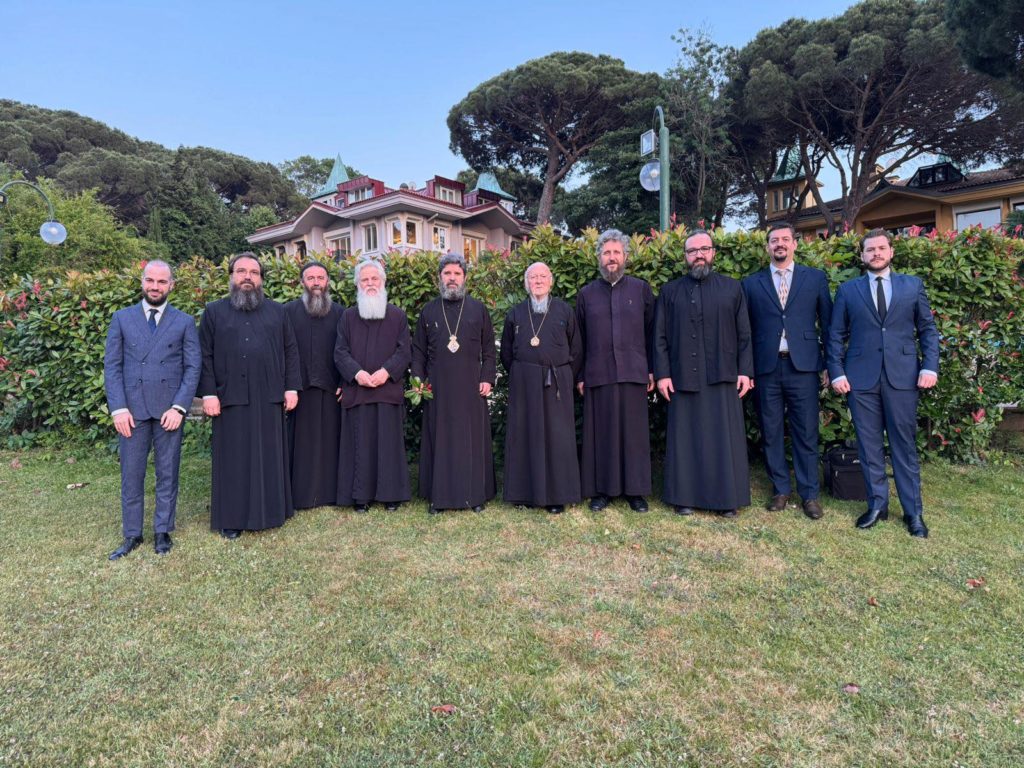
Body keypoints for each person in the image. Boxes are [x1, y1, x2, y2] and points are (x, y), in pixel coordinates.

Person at [827, 229, 939, 538]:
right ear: (862, 256)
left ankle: (913, 512)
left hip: (903, 377)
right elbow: (835, 335)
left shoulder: (912, 286)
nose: (876, 253)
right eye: (869, 249)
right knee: (869, 445)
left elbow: (928, 330)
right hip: (860, 380)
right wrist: (836, 372)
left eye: (881, 248)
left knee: (904, 446)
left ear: (890, 252)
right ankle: (878, 504)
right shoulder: (848, 290)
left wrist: (930, 366)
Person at [199, 253, 301, 538]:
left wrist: (291, 387)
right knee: (233, 459)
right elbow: (204, 355)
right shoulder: (213, 311)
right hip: (228, 397)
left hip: (268, 396)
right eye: (241, 271)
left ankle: (272, 511)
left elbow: (290, 350)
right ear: (231, 275)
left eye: (254, 272)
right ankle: (232, 518)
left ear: (261, 279)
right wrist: (208, 394)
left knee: (269, 455)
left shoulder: (278, 312)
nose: (247, 277)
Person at [104, 260, 201, 559]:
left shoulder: (184, 321)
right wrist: (118, 409)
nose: (155, 287)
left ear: (172, 285)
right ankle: (132, 534)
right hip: (131, 411)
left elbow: (193, 366)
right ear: (142, 282)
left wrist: (179, 407)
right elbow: (113, 366)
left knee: (167, 472)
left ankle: (162, 531)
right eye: (150, 280)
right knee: (131, 475)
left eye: (162, 282)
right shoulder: (121, 318)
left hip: (168, 410)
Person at [654, 229, 754, 517]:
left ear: (713, 253)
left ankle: (726, 500)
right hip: (683, 377)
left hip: (722, 376)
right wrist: (662, 374)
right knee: (685, 442)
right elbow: (659, 336)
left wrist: (745, 371)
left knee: (723, 442)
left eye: (704, 249)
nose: (698, 254)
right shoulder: (670, 292)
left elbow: (745, 334)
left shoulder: (732, 288)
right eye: (692, 251)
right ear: (685, 257)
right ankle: (684, 498)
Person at [742, 222, 833, 519]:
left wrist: (830, 365)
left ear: (795, 243)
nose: (779, 244)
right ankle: (780, 489)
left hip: (803, 366)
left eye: (784, 239)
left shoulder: (815, 278)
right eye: (773, 240)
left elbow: (829, 326)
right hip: (766, 366)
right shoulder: (751, 283)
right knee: (770, 431)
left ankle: (809, 495)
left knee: (806, 431)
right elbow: (745, 331)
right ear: (767, 247)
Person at [575, 229, 655, 512]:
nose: (611, 258)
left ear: (625, 257)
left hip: (634, 371)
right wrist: (581, 374)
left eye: (616, 253)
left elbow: (651, 332)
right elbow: (580, 338)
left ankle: (636, 492)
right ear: (599, 257)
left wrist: (652, 370)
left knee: (633, 435)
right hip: (598, 374)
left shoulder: (641, 289)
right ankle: (602, 491)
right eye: (606, 253)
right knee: (603, 434)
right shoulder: (586, 294)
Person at [412, 253, 496, 513]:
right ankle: (439, 497)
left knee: (470, 439)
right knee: (440, 438)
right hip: (437, 388)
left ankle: (474, 495)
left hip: (471, 386)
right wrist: (419, 382)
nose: (452, 278)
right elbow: (418, 352)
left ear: (465, 278)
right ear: (440, 277)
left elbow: (489, 350)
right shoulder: (428, 311)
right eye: (447, 273)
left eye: (456, 274)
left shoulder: (478, 309)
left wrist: (487, 377)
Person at [500, 262, 583, 514]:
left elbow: (576, 349)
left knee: (557, 437)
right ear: (526, 283)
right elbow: (506, 352)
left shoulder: (564, 311)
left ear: (551, 281)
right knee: (525, 434)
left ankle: (557, 495)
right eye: (533, 277)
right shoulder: (515, 314)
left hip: (557, 381)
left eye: (542, 276)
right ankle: (525, 493)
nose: (538, 281)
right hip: (524, 382)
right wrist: (524, 372)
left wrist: (566, 375)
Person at [334, 258, 412, 512]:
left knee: (388, 446)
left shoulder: (398, 316)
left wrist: (386, 372)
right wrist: (356, 374)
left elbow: (404, 351)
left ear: (383, 282)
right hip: (357, 392)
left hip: (387, 391)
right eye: (364, 279)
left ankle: (391, 495)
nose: (370, 283)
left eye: (374, 279)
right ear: (358, 284)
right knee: (359, 446)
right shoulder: (347, 317)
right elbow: (340, 352)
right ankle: (360, 497)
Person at [283, 262, 344, 510]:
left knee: (331, 442)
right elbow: (283, 352)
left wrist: (344, 382)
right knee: (301, 445)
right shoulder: (286, 312)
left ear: (327, 282)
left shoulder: (341, 313)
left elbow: (347, 351)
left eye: (321, 277)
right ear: (302, 282)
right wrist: (288, 385)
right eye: (311, 278)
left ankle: (329, 493)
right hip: (299, 390)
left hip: (332, 390)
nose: (316, 282)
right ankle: (301, 494)